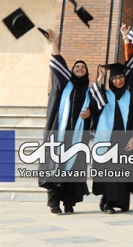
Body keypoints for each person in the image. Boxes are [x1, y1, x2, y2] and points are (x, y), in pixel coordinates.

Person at [40, 29, 93, 215]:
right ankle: (54, 204)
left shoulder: (90, 92)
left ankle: (69, 203)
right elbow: (57, 65)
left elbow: (96, 112)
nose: (79, 69)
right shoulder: (64, 84)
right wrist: (55, 41)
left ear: (87, 73)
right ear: (72, 70)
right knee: (55, 167)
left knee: (73, 170)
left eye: (83, 68)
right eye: (77, 67)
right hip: (59, 133)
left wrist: (90, 115)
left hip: (77, 138)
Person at [89, 63, 133, 214]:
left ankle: (122, 201)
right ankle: (107, 202)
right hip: (106, 138)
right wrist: (100, 77)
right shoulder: (104, 95)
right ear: (110, 80)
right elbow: (93, 99)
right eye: (115, 78)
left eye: (121, 77)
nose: (118, 80)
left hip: (124, 140)